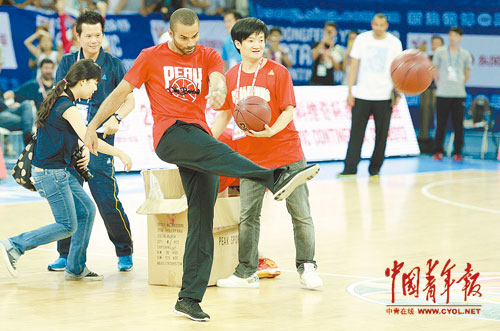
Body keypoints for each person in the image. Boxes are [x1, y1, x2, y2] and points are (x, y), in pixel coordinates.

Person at [83, 8, 319, 322]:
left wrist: (219, 91)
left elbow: (218, 81)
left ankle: (189, 299)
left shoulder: (207, 54)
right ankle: (273, 177)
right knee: (213, 148)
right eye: (184, 37)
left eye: (194, 35)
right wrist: (92, 127)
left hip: (199, 136)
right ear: (171, 33)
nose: (190, 42)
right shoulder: (150, 57)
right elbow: (120, 92)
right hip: (170, 134)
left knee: (201, 222)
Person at [212, 17, 322, 290]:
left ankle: (307, 267)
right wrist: (208, 142)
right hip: (250, 158)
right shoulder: (231, 76)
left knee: (301, 214)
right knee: (248, 216)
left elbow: (288, 111)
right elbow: (226, 112)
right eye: (251, 40)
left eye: (261, 40)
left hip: (286, 152)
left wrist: (271, 131)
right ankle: (246, 272)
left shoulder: (278, 72)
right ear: (237, 44)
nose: (257, 45)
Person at [0, 59, 132, 281]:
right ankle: (14, 245)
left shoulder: (61, 99)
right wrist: (119, 153)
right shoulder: (67, 107)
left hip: (58, 171)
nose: (96, 88)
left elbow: (70, 136)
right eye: (94, 84)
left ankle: (75, 267)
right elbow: (92, 140)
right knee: (67, 225)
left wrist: (83, 147)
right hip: (51, 174)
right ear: (82, 82)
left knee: (87, 211)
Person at [49, 10, 136, 273]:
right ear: (78, 37)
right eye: (88, 36)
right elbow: (57, 98)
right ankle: (66, 255)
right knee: (70, 200)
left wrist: (117, 119)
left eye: (98, 35)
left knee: (106, 199)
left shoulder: (113, 64)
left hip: (100, 142)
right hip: (71, 142)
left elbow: (129, 99)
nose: (93, 40)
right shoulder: (66, 63)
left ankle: (124, 251)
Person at [338, 13, 402, 177]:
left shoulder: (394, 43)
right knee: (356, 133)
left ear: (386, 26)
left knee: (381, 135)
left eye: (382, 25)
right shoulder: (362, 39)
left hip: (385, 95)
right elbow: (353, 66)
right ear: (372, 24)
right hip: (362, 94)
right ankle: (350, 168)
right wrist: (350, 91)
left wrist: (398, 91)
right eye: (376, 24)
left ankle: (375, 169)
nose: (378, 28)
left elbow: (398, 70)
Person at [432, 26, 472, 161]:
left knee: (458, 124)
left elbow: (467, 72)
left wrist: (461, 83)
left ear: (460, 37)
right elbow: (434, 69)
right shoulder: (440, 52)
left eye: (455, 35)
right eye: (450, 35)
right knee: (441, 123)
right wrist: (439, 83)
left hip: (458, 93)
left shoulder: (465, 54)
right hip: (442, 93)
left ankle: (458, 152)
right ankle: (438, 151)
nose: (452, 38)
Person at [418, 35, 444, 153]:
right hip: (426, 88)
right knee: (424, 112)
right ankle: (423, 139)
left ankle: (438, 142)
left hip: (440, 90)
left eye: (438, 44)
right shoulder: (426, 57)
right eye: (434, 43)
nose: (435, 46)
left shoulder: (445, 58)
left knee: (438, 116)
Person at [310, 21, 344, 86]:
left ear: (335, 32)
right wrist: (323, 42)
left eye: (331, 31)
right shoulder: (317, 44)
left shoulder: (337, 48)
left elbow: (337, 68)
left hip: (329, 81)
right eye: (327, 31)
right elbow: (314, 56)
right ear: (323, 31)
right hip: (315, 81)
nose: (329, 33)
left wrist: (331, 56)